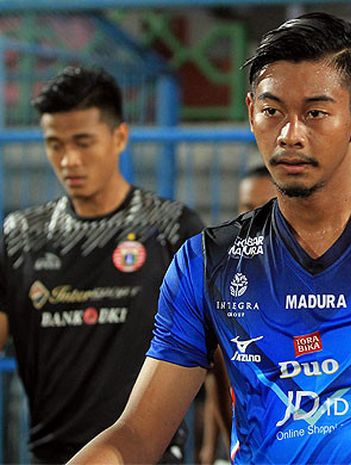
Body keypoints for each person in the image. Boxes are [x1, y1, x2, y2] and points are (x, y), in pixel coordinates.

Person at [68, 12, 351, 465]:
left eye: (315, 113)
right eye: (272, 111)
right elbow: (135, 436)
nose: (290, 135)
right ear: (251, 113)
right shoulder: (205, 263)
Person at [0, 66, 204, 463]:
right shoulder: (21, 236)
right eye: (55, 144)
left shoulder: (169, 228)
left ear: (119, 137)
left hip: (150, 457)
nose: (68, 160)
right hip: (53, 455)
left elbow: (218, 359)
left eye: (83, 142)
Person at [199, 164, 276, 465]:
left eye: (265, 209)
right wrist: (209, 451)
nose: (253, 219)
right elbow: (215, 377)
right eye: (246, 208)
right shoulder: (223, 286)